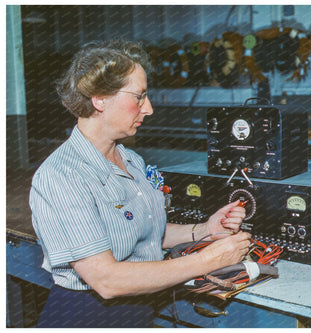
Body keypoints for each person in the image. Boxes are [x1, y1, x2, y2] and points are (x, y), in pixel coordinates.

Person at [29, 40, 251, 328]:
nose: (149, 109)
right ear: (99, 99)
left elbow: (139, 232)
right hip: (87, 317)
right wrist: (209, 260)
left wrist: (204, 230)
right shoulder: (62, 176)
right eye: (140, 96)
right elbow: (107, 280)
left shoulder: (130, 159)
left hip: (137, 314)